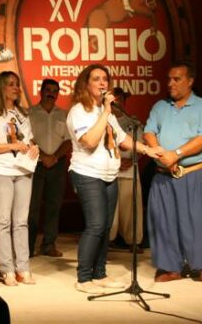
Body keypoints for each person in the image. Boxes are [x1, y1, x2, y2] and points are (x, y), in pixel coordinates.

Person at [66, 64, 161, 294]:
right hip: (87, 174)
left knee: (106, 226)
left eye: (105, 79)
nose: (102, 83)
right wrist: (106, 113)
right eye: (96, 79)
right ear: (85, 84)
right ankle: (84, 277)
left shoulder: (105, 112)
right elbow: (88, 141)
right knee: (96, 225)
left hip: (110, 174)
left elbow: (123, 140)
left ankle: (99, 274)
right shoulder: (79, 111)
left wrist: (148, 150)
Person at [144, 61, 202, 285]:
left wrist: (175, 154)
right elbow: (149, 132)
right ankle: (171, 267)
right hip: (163, 174)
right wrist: (162, 155)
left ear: (190, 81)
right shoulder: (160, 106)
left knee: (201, 221)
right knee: (164, 221)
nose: (170, 83)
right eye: (169, 79)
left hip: (195, 173)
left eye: (176, 79)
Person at [0, 71, 39, 286]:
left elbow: (29, 141)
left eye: (17, 84)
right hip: (0, 172)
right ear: (1, 88)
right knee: (3, 221)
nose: (16, 88)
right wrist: (12, 146)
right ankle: (7, 269)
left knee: (21, 222)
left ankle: (23, 267)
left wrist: (34, 148)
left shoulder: (23, 113)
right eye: (11, 84)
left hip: (23, 171)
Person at [28, 79, 71, 258]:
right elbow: (27, 139)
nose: (51, 93)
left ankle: (48, 245)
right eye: (48, 90)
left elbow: (68, 141)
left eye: (55, 91)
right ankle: (28, 247)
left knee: (54, 206)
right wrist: (42, 156)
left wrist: (53, 157)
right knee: (32, 207)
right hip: (34, 163)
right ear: (41, 91)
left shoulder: (64, 114)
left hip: (57, 164)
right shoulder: (29, 113)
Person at [108, 87, 144, 252]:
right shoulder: (104, 120)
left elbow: (142, 144)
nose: (117, 104)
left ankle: (133, 241)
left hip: (130, 170)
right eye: (113, 101)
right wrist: (118, 160)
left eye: (120, 100)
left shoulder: (133, 122)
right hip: (110, 170)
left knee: (131, 208)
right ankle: (107, 240)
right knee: (111, 208)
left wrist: (133, 159)